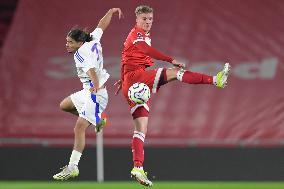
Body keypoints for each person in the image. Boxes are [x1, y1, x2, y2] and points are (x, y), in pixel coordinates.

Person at [114, 5, 230, 187]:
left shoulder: (141, 35)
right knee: (176, 72)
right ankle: (216, 80)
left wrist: (123, 80)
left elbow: (126, 57)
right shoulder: (137, 34)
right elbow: (144, 49)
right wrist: (170, 58)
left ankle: (137, 167)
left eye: (150, 19)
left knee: (140, 129)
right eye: (144, 19)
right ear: (137, 20)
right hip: (136, 78)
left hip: (131, 82)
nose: (147, 22)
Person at [53, 8, 123, 180]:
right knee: (64, 105)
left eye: (70, 42)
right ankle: (98, 118)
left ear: (78, 42)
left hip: (95, 93)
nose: (67, 44)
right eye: (66, 41)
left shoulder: (80, 53)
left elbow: (91, 69)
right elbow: (101, 25)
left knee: (79, 127)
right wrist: (111, 11)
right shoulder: (92, 40)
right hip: (88, 91)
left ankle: (72, 167)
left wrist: (96, 86)